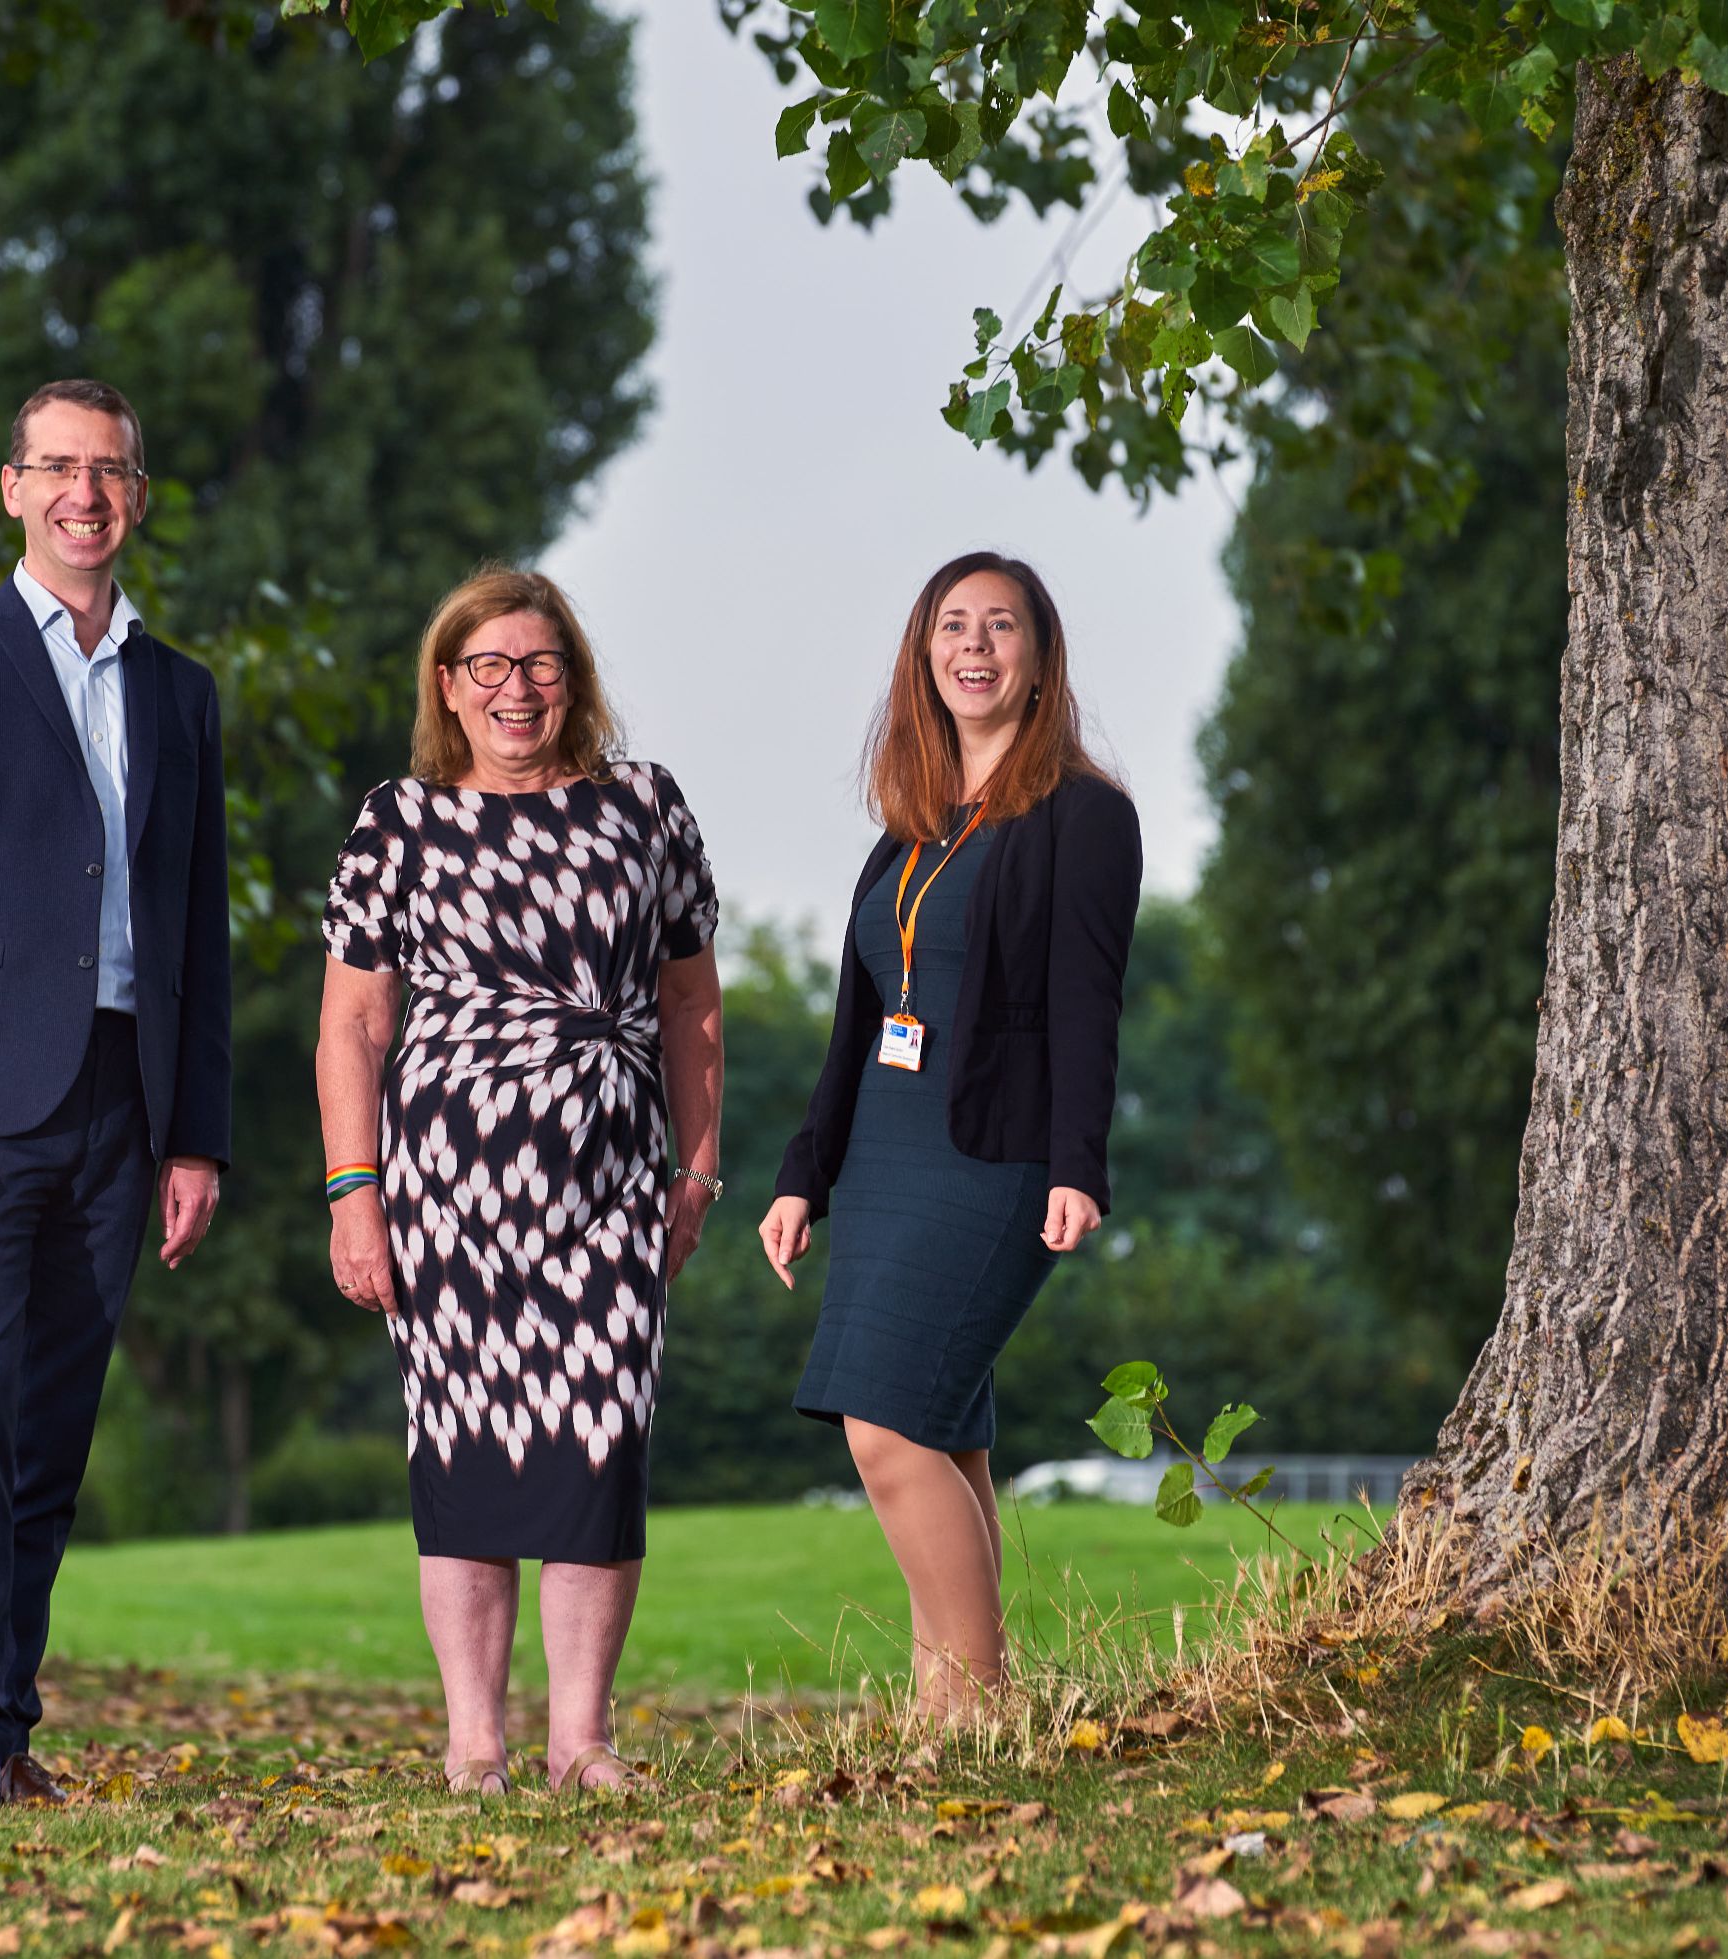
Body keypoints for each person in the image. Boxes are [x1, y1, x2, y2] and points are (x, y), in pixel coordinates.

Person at [0, 379, 231, 1810]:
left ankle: (8, 1726)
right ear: (11, 487)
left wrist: (195, 1130)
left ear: (136, 495)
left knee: (56, 1422)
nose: (86, 491)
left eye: (111, 469)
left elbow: (191, 924)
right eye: (57, 466)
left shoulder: (178, 691)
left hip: (124, 1108)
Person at [317, 568, 723, 1795]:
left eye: (538, 664)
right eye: (486, 666)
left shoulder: (645, 809)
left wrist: (696, 1167)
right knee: (464, 1454)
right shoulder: (398, 821)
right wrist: (353, 1191)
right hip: (447, 1189)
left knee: (600, 1447)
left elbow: (691, 1005)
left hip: (608, 1185)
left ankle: (580, 1740)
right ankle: (474, 1740)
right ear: (448, 685)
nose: (515, 689)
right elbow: (351, 1024)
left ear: (573, 680)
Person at [759, 550, 1140, 1725]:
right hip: (881, 1154)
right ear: (922, 659)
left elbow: (1088, 1001)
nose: (973, 648)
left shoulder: (1083, 814)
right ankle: (945, 1701)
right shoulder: (907, 832)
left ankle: (975, 1705)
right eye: (951, 628)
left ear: (1037, 659)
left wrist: (1078, 1163)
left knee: (884, 1419)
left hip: (993, 1152)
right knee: (936, 1425)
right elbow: (858, 1021)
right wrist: (801, 1175)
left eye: (1000, 628)